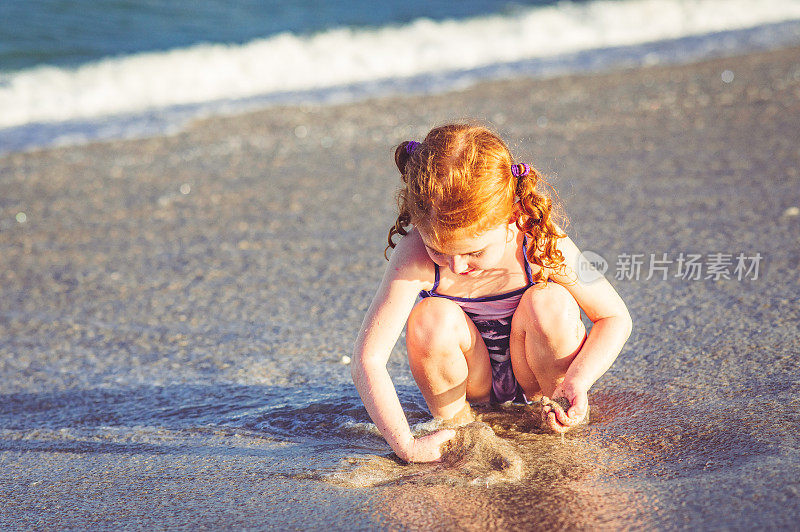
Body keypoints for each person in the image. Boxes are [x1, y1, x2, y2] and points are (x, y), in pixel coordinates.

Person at [351, 123, 632, 463]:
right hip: (472, 385)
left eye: (474, 252)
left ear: (512, 216)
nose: (456, 266)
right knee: (430, 317)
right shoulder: (413, 255)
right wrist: (407, 445)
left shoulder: (538, 238)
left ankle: (556, 411)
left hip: (538, 378)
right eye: (438, 250)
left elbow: (614, 317)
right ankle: (459, 427)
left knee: (550, 302)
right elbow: (368, 359)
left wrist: (578, 380)